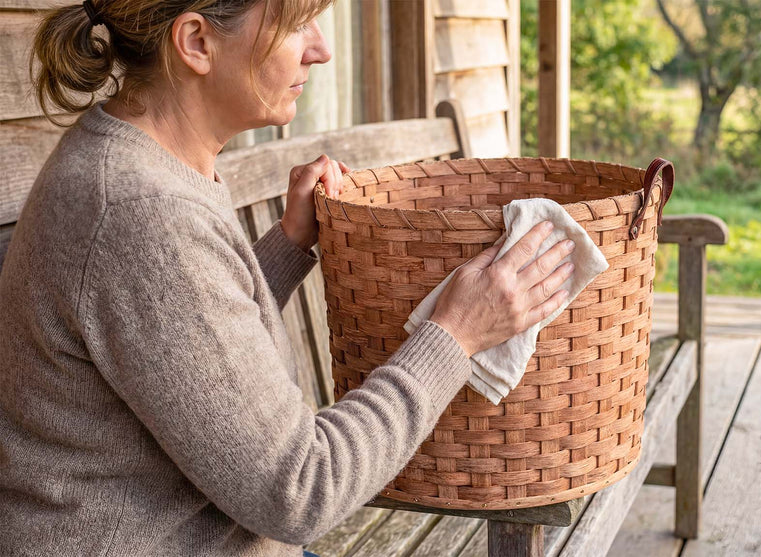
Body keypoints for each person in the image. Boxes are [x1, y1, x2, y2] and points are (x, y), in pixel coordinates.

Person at [0, 0, 576, 554]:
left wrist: (287, 247)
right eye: (299, 22)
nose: (322, 50)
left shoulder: (149, 167)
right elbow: (301, 489)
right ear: (197, 42)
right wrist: (456, 335)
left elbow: (186, 353)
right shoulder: (139, 210)